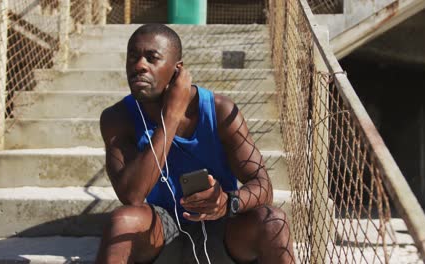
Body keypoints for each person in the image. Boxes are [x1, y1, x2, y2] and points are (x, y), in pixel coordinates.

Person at [96, 24, 295, 264]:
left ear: (177, 70)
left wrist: (227, 202)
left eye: (152, 58)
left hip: (222, 226)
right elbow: (131, 196)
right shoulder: (117, 118)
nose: (139, 66)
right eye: (133, 57)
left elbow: (264, 186)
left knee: (274, 221)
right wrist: (170, 117)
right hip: (161, 228)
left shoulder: (220, 111)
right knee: (122, 221)